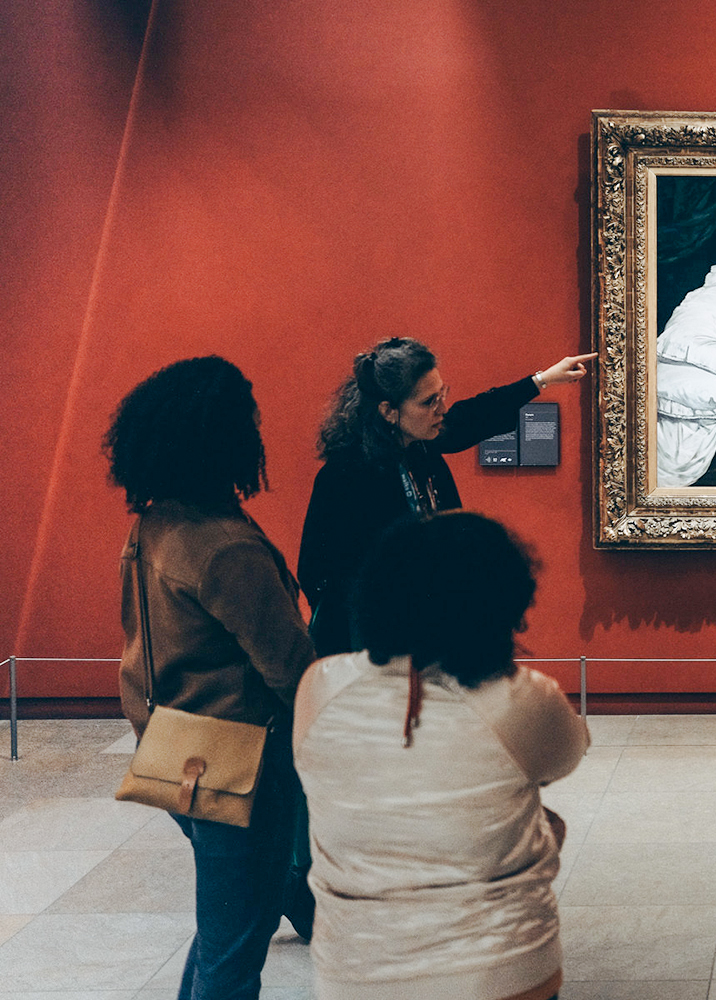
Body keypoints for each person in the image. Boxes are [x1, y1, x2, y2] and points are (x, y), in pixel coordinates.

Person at [293, 511, 589, 1000]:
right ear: (502, 602)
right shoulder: (522, 697)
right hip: (499, 969)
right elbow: (566, 756)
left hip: (357, 969)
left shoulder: (321, 687)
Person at [105, 357, 315, 1000]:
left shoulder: (156, 524)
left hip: (178, 750)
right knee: (231, 952)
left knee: (230, 923)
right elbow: (289, 668)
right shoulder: (224, 545)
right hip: (243, 760)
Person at [299, 337, 594, 657]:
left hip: (427, 632)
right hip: (377, 648)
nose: (441, 409)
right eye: (428, 402)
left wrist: (542, 380)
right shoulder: (345, 476)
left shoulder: (419, 445)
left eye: (442, 394)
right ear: (389, 411)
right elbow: (320, 572)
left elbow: (472, 416)